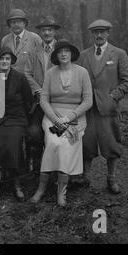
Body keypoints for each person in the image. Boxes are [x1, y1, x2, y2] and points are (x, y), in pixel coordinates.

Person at [30, 40, 93, 207]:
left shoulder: (82, 73)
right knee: (52, 142)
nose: (63, 54)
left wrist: (70, 116)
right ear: (56, 56)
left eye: (67, 51)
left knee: (66, 146)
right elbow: (44, 100)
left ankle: (61, 191)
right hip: (52, 117)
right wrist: (55, 119)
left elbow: (87, 102)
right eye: (60, 52)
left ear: (72, 54)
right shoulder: (51, 73)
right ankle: (41, 188)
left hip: (75, 118)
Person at [76, 19, 128, 194]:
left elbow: (127, 82)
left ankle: (111, 178)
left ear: (108, 33)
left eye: (102, 32)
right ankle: (85, 176)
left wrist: (112, 97)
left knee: (111, 143)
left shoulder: (118, 54)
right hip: (88, 108)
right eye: (95, 32)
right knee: (87, 142)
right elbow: (78, 79)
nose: (99, 35)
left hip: (108, 109)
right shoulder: (83, 55)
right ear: (91, 34)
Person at [0, 47, 33, 206]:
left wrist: (21, 119)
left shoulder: (20, 78)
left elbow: (28, 101)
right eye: (2, 59)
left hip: (15, 120)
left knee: (13, 142)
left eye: (8, 59)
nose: (5, 61)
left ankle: (16, 183)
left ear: (11, 61)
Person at [24, 15, 61, 175]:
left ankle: (58, 167)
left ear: (54, 32)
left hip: (57, 100)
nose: (46, 33)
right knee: (34, 132)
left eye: (50, 30)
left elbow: (69, 72)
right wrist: (38, 90)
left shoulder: (62, 50)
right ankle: (37, 163)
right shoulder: (34, 51)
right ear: (40, 32)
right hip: (38, 101)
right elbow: (27, 73)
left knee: (57, 132)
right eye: (44, 30)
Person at [0, 9, 41, 73]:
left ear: (24, 23)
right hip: (10, 79)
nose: (16, 24)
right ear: (9, 24)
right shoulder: (5, 40)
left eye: (19, 22)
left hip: (28, 79)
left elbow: (40, 61)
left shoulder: (34, 38)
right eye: (13, 22)